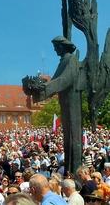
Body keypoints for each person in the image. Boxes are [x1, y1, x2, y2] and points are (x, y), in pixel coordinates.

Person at [23, 36, 82, 174]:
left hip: (73, 101)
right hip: (65, 102)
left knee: (73, 135)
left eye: (56, 47)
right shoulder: (63, 61)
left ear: (62, 46)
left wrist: (44, 88)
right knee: (68, 135)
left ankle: (75, 170)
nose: (55, 50)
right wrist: (35, 89)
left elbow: (65, 80)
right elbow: (55, 81)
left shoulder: (71, 59)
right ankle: (70, 170)